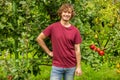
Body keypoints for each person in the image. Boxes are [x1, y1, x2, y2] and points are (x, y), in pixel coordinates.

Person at [36, 3, 82, 80]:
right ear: (61, 13)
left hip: (71, 66)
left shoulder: (75, 31)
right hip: (57, 66)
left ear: (71, 15)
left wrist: (79, 66)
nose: (66, 14)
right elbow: (39, 38)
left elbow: (77, 50)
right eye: (65, 12)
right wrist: (49, 52)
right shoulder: (53, 27)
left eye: (69, 12)